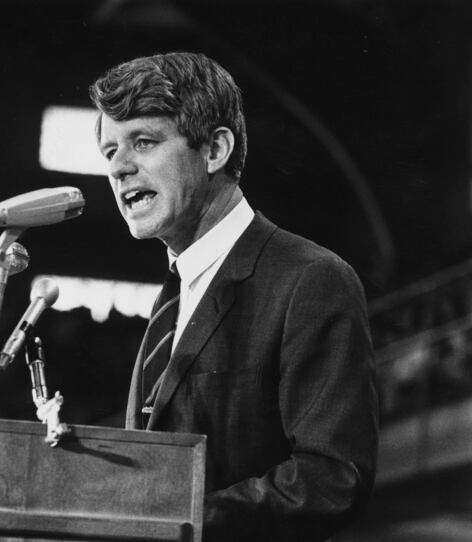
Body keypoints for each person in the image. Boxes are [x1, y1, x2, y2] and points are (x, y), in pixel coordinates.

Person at [89, 52, 378, 542]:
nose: (119, 168)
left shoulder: (311, 279)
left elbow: (331, 479)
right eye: (109, 151)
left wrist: (176, 524)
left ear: (216, 149)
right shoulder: (174, 296)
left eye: (143, 141)